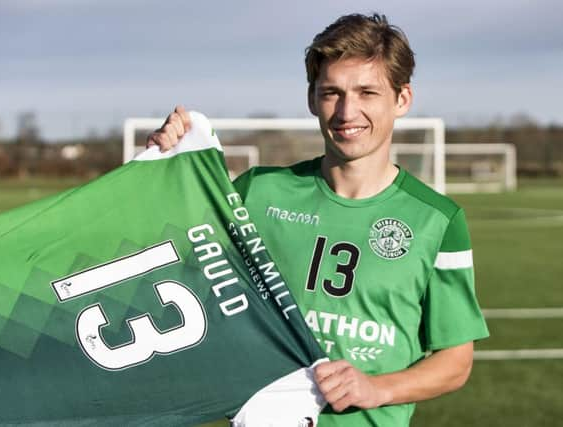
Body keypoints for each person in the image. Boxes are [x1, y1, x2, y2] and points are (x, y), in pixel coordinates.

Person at [147, 13, 489, 427]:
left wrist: (377, 388)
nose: (347, 111)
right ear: (311, 99)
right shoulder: (257, 193)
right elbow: (164, 254)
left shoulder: (438, 220)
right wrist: (163, 166)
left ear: (402, 99)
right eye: (332, 92)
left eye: (367, 92)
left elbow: (456, 360)